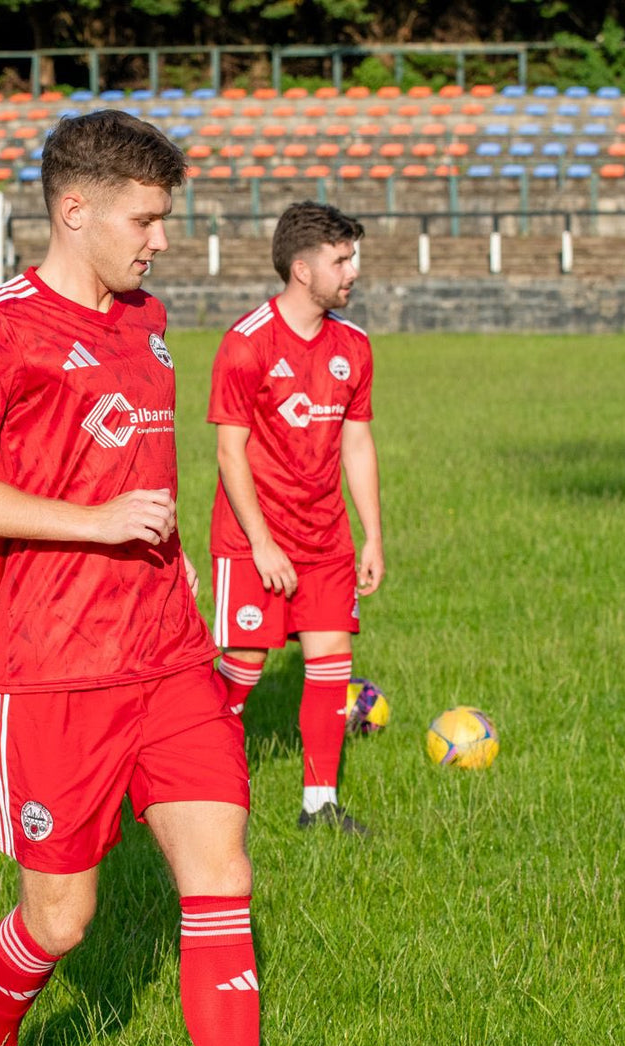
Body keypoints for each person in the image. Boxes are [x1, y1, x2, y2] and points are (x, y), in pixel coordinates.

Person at [0, 110, 323, 1046]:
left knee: (222, 874)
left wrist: (185, 579)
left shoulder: (148, 324)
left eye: (164, 218)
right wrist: (93, 525)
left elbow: (151, 481)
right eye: (144, 219)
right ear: (74, 209)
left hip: (167, 662)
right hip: (50, 674)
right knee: (60, 919)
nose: (159, 241)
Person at [208, 201, 384, 836]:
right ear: (302, 269)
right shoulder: (246, 342)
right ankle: (187, 787)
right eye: (342, 259)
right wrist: (262, 546)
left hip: (327, 540)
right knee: (241, 675)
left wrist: (372, 536)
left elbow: (356, 442)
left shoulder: (354, 347)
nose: (353, 271)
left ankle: (319, 806)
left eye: (352, 257)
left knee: (330, 664)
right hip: (254, 539)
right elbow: (230, 451)